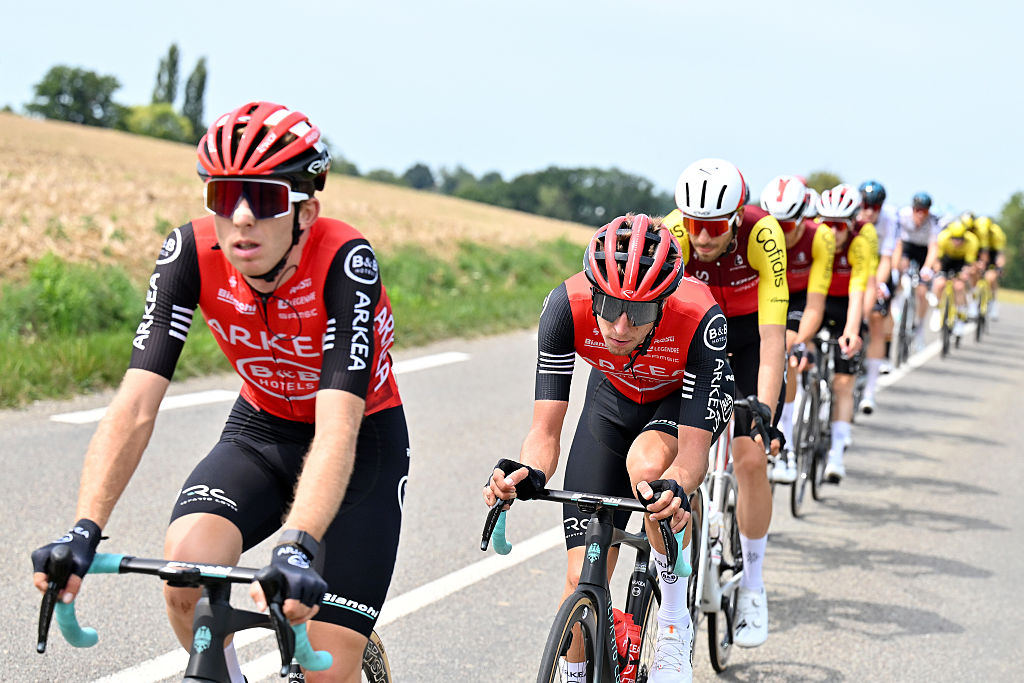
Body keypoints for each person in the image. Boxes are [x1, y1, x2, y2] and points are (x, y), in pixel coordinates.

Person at [31, 101, 408, 683]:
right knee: (185, 574)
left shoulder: (344, 262)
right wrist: (84, 529)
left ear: (306, 210)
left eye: (264, 199)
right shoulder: (190, 253)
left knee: (328, 670)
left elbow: (337, 427)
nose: (242, 218)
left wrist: (299, 543)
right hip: (262, 429)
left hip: (360, 447)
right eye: (224, 196)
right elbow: (135, 404)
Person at [485, 214, 734, 683]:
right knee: (580, 576)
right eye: (610, 305)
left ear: (663, 304)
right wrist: (526, 471)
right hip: (613, 397)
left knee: (647, 466)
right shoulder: (565, 306)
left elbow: (692, 459)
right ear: (593, 292)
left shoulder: (700, 317)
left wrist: (677, 488)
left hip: (679, 401)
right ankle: (577, 674)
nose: (620, 326)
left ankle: (675, 620)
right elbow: (545, 433)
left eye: (638, 313)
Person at [663, 158, 787, 650]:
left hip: (750, 337)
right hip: (696, 336)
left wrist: (764, 412)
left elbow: (773, 339)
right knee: (675, 456)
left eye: (714, 227)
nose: (701, 237)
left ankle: (753, 586)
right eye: (694, 223)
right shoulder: (673, 233)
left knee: (750, 456)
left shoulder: (763, 233)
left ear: (735, 218)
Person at [759, 175, 835, 483]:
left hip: (799, 300)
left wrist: (799, 341)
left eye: (787, 226)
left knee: (785, 349)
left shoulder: (821, 237)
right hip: (766, 294)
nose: (779, 232)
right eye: (774, 224)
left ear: (804, 218)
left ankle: (786, 439)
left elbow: (816, 305)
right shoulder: (759, 234)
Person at [818, 184, 878, 482]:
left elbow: (860, 292)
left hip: (847, 308)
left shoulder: (860, 244)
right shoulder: (817, 239)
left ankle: (836, 455)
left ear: (852, 224)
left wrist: (853, 331)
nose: (832, 231)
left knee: (843, 384)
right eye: (827, 223)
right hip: (818, 303)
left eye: (839, 225)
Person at [855, 180, 899, 415]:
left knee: (876, 317)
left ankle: (870, 389)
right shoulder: (853, 213)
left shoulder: (889, 219)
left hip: (878, 270)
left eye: (875, 207)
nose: (870, 212)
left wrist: (878, 285)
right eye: (866, 206)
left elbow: (886, 259)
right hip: (855, 269)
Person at [894, 192, 941, 350]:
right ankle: (898, 301)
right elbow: (897, 243)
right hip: (907, 246)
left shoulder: (933, 221)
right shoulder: (903, 215)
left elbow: (934, 248)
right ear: (912, 209)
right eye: (917, 210)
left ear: (928, 211)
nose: (920, 214)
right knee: (900, 268)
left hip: (923, 250)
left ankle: (919, 327)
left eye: (924, 211)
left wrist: (927, 268)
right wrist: (896, 266)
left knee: (922, 291)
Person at [928, 218, 979, 338]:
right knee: (940, 284)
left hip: (961, 261)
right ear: (950, 236)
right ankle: (937, 310)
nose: (957, 242)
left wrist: (964, 274)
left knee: (959, 287)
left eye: (960, 239)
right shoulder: (943, 238)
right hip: (946, 260)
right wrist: (938, 271)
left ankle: (960, 317)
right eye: (954, 239)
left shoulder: (972, 241)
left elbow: (969, 264)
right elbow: (937, 260)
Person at [976, 215, 1007, 320]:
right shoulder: (975, 233)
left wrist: (999, 267)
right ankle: (973, 300)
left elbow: (1000, 254)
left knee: (991, 277)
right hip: (978, 250)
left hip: (992, 252)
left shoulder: (997, 234)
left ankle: (993, 303)